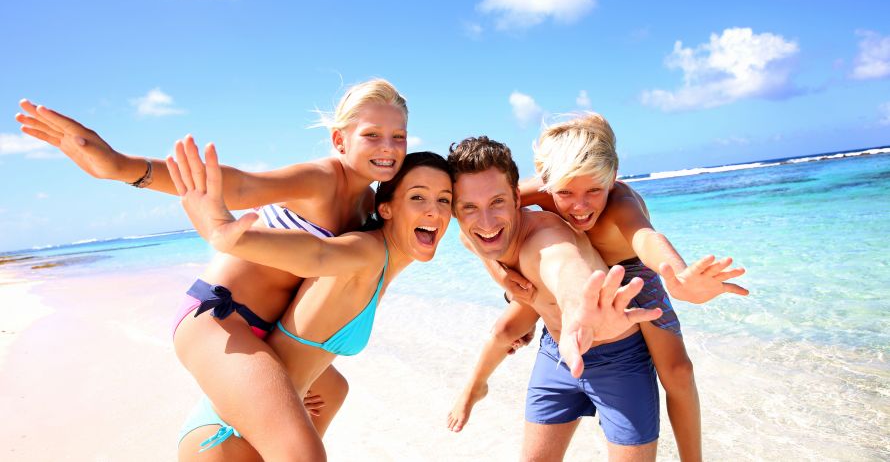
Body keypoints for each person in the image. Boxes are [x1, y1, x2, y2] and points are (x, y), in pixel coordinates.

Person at [15, 79, 408, 460]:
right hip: (219, 320)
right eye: (372, 135)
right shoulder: (322, 178)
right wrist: (120, 166)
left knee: (332, 391)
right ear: (340, 140)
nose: (388, 147)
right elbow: (237, 187)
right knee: (300, 452)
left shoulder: (372, 209)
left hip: (271, 332)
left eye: (399, 136)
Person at [447, 118, 748, 461]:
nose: (580, 205)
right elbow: (473, 228)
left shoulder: (621, 202)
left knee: (678, 371)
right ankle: (476, 384)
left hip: (631, 273)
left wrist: (677, 276)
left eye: (594, 190)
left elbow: (646, 238)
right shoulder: (536, 189)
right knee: (504, 330)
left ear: (613, 175)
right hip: (575, 284)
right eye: (566, 193)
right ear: (547, 180)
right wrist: (501, 274)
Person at [171, 148, 454, 460]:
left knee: (337, 390)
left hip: (256, 434)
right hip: (226, 440)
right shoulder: (367, 253)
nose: (434, 211)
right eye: (418, 197)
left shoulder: (387, 261)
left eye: (444, 200)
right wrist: (232, 238)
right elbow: (317, 253)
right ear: (386, 209)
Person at [446, 135, 664, 461]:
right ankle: (475, 386)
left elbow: (564, 265)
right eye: (470, 208)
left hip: (618, 358)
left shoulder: (546, 238)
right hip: (555, 355)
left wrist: (580, 310)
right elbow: (472, 238)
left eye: (498, 203)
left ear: (516, 197)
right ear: (454, 212)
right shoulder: (470, 233)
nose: (487, 222)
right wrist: (501, 275)